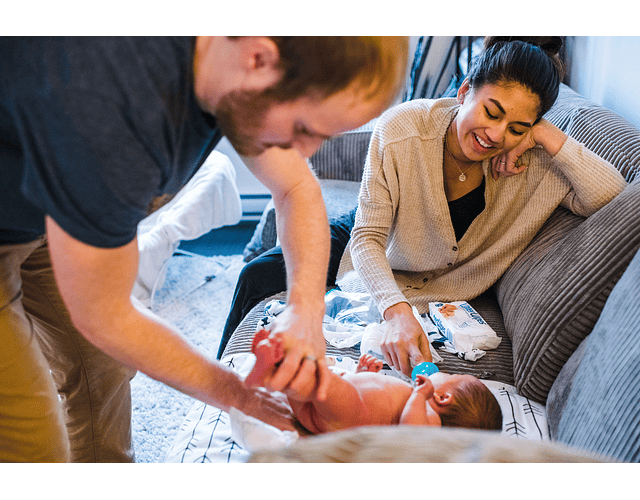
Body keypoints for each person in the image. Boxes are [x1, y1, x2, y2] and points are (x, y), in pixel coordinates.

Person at [0, 36, 409, 462]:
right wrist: (238, 394)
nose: (303, 152)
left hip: (50, 206)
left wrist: (306, 311)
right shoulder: (113, 108)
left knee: (101, 371)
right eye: (303, 130)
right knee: (33, 445)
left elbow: (295, 188)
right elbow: (105, 314)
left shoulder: (231, 64)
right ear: (257, 57)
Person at [220, 36, 628, 378]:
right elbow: (367, 237)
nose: (495, 134)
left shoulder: (530, 163)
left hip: (423, 274)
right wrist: (395, 309)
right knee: (260, 274)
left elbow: (615, 197)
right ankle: (225, 382)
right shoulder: (403, 130)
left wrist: (546, 136)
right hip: (378, 236)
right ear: (465, 92)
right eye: (491, 112)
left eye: (517, 126)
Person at [245, 330, 502, 433]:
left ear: (444, 398)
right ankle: (272, 372)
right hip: (336, 407)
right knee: (307, 384)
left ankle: (275, 364)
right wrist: (363, 373)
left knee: (318, 378)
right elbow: (379, 397)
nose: (446, 372)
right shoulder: (417, 400)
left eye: (452, 376)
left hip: (349, 413)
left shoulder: (428, 417)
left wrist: (419, 396)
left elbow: (411, 434)